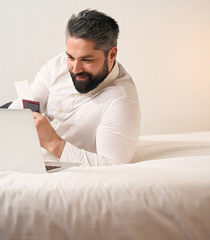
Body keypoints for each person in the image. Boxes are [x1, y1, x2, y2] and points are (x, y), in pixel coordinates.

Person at [9, 9, 141, 166]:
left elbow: (112, 166)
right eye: (70, 57)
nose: (75, 68)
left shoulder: (121, 101)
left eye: (86, 59)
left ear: (112, 54)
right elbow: (29, 102)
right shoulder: (57, 64)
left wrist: (53, 143)